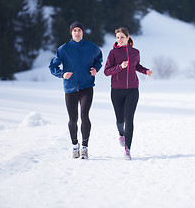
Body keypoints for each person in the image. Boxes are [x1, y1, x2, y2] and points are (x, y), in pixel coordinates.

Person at [49, 21, 103, 159]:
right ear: (71, 33)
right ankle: (75, 146)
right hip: (70, 88)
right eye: (74, 30)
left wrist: (95, 69)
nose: (77, 33)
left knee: (85, 115)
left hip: (87, 86)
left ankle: (85, 147)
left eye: (79, 30)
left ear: (82, 32)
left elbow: (99, 59)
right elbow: (52, 66)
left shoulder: (91, 47)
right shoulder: (63, 49)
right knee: (73, 119)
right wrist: (62, 74)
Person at [104, 27, 152, 160]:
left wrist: (145, 71)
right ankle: (121, 133)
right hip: (116, 90)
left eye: (122, 37)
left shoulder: (135, 52)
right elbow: (107, 71)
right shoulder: (113, 53)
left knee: (129, 119)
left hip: (132, 90)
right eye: (117, 37)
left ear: (127, 38)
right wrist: (120, 67)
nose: (119, 40)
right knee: (120, 120)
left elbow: (136, 66)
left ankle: (127, 150)